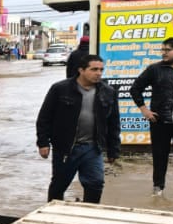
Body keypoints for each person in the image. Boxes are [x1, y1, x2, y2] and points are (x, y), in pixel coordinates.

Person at [36, 53, 121, 204]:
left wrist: (113, 149)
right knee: (59, 184)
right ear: (81, 70)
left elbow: (113, 123)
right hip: (66, 148)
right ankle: (53, 211)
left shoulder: (108, 92)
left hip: (93, 147)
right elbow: (44, 117)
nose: (98, 73)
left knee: (95, 183)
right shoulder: (60, 89)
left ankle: (89, 211)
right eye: (94, 69)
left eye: (101, 70)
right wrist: (43, 143)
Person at [130, 36, 173, 196]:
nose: (164, 53)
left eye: (168, 50)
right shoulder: (155, 69)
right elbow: (135, 88)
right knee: (159, 156)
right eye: (162, 50)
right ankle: (158, 188)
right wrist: (144, 110)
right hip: (159, 120)